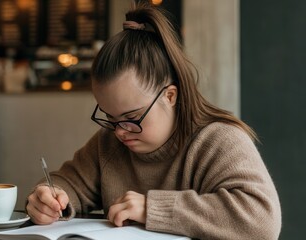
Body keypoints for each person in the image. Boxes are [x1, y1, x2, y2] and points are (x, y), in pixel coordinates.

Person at [26, 2, 281, 240]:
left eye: (132, 117)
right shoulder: (108, 144)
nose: (120, 132)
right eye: (110, 118)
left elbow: (263, 221)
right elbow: (66, 184)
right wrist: (48, 198)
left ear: (170, 96)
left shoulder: (218, 140)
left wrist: (153, 209)